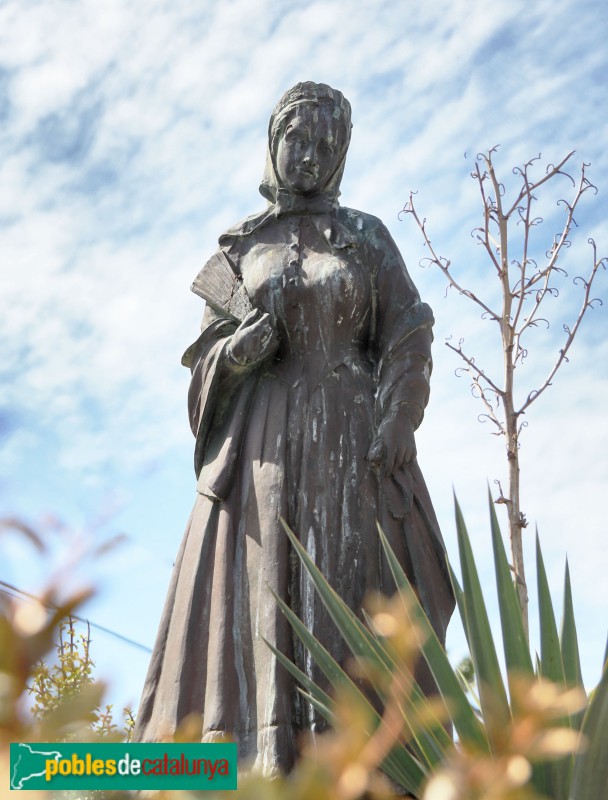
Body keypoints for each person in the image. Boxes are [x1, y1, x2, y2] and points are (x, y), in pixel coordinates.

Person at [133, 81, 454, 776]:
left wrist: (400, 414)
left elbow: (409, 330)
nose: (307, 156)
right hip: (260, 457)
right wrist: (237, 354)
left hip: (352, 449)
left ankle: (358, 758)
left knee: (351, 599)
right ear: (273, 142)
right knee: (258, 595)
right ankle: (258, 756)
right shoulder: (241, 249)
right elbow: (200, 374)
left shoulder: (367, 237)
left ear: (339, 155)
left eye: (323, 145)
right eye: (296, 140)